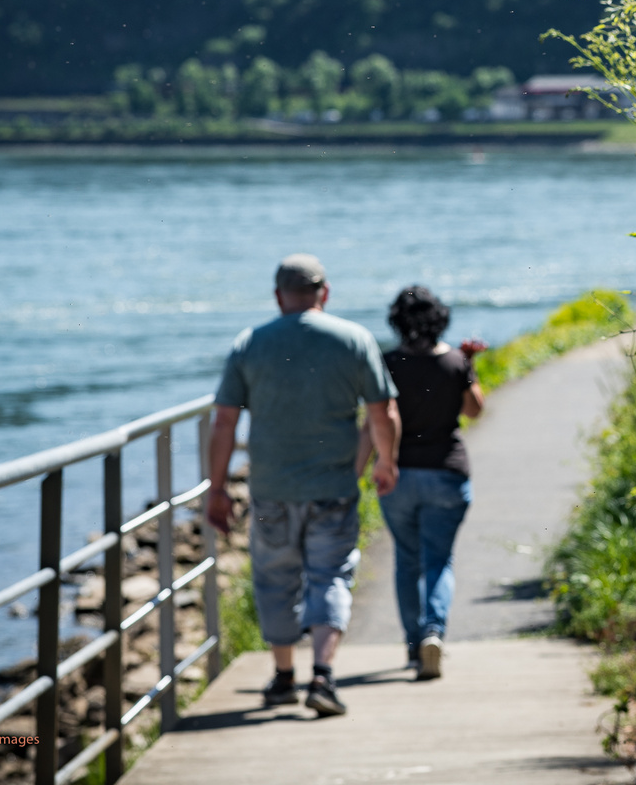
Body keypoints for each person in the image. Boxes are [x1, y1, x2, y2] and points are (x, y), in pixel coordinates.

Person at [205, 254, 400, 716]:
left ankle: (284, 676)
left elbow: (224, 422)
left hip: (271, 487)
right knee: (330, 576)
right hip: (334, 485)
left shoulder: (250, 343)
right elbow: (382, 413)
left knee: (275, 580)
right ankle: (323, 676)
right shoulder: (354, 339)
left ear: (278, 296)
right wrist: (386, 464)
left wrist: (216, 488)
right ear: (324, 293)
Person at [380, 285, 487, 680]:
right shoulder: (457, 361)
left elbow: (374, 420)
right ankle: (434, 632)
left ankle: (413, 647)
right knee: (438, 559)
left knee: (407, 560)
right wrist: (470, 367)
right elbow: (475, 411)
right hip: (447, 471)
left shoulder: (386, 362)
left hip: (399, 474)